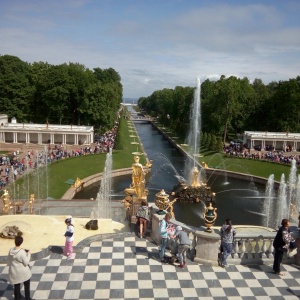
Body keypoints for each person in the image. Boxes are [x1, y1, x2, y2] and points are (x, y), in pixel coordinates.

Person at [8, 236, 32, 300]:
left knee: (17, 286)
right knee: (26, 286)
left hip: (14, 272)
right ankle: (27, 298)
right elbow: (26, 263)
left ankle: (17, 298)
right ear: (21, 242)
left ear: (14, 241)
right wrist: (29, 254)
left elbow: (9, 259)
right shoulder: (22, 252)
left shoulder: (10, 251)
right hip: (23, 272)